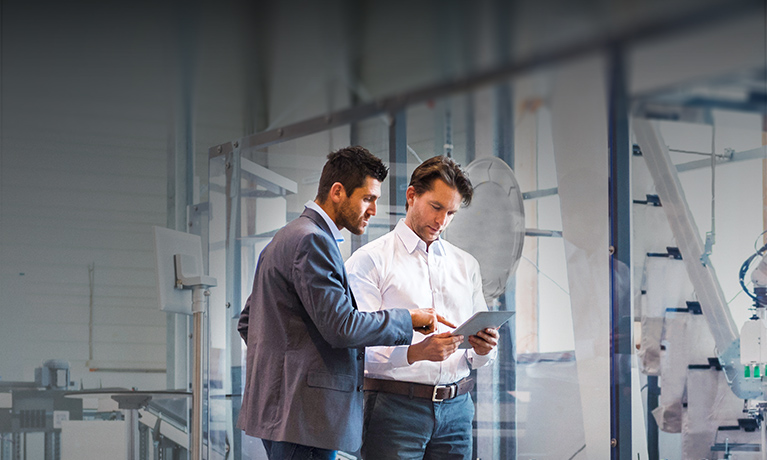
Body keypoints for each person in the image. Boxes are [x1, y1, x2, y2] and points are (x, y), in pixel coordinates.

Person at [236, 146, 452, 460]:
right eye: (368, 198)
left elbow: (248, 321)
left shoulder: (286, 236)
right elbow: (342, 326)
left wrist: (286, 372)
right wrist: (410, 318)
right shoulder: (312, 240)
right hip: (306, 419)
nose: (373, 210)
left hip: (287, 417)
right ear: (338, 192)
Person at [345, 155, 500, 460]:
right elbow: (356, 345)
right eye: (436, 207)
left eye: (451, 213)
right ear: (412, 196)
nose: (442, 221)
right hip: (394, 410)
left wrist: (483, 349)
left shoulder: (465, 264)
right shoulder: (370, 260)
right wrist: (416, 352)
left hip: (457, 408)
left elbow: (477, 348)